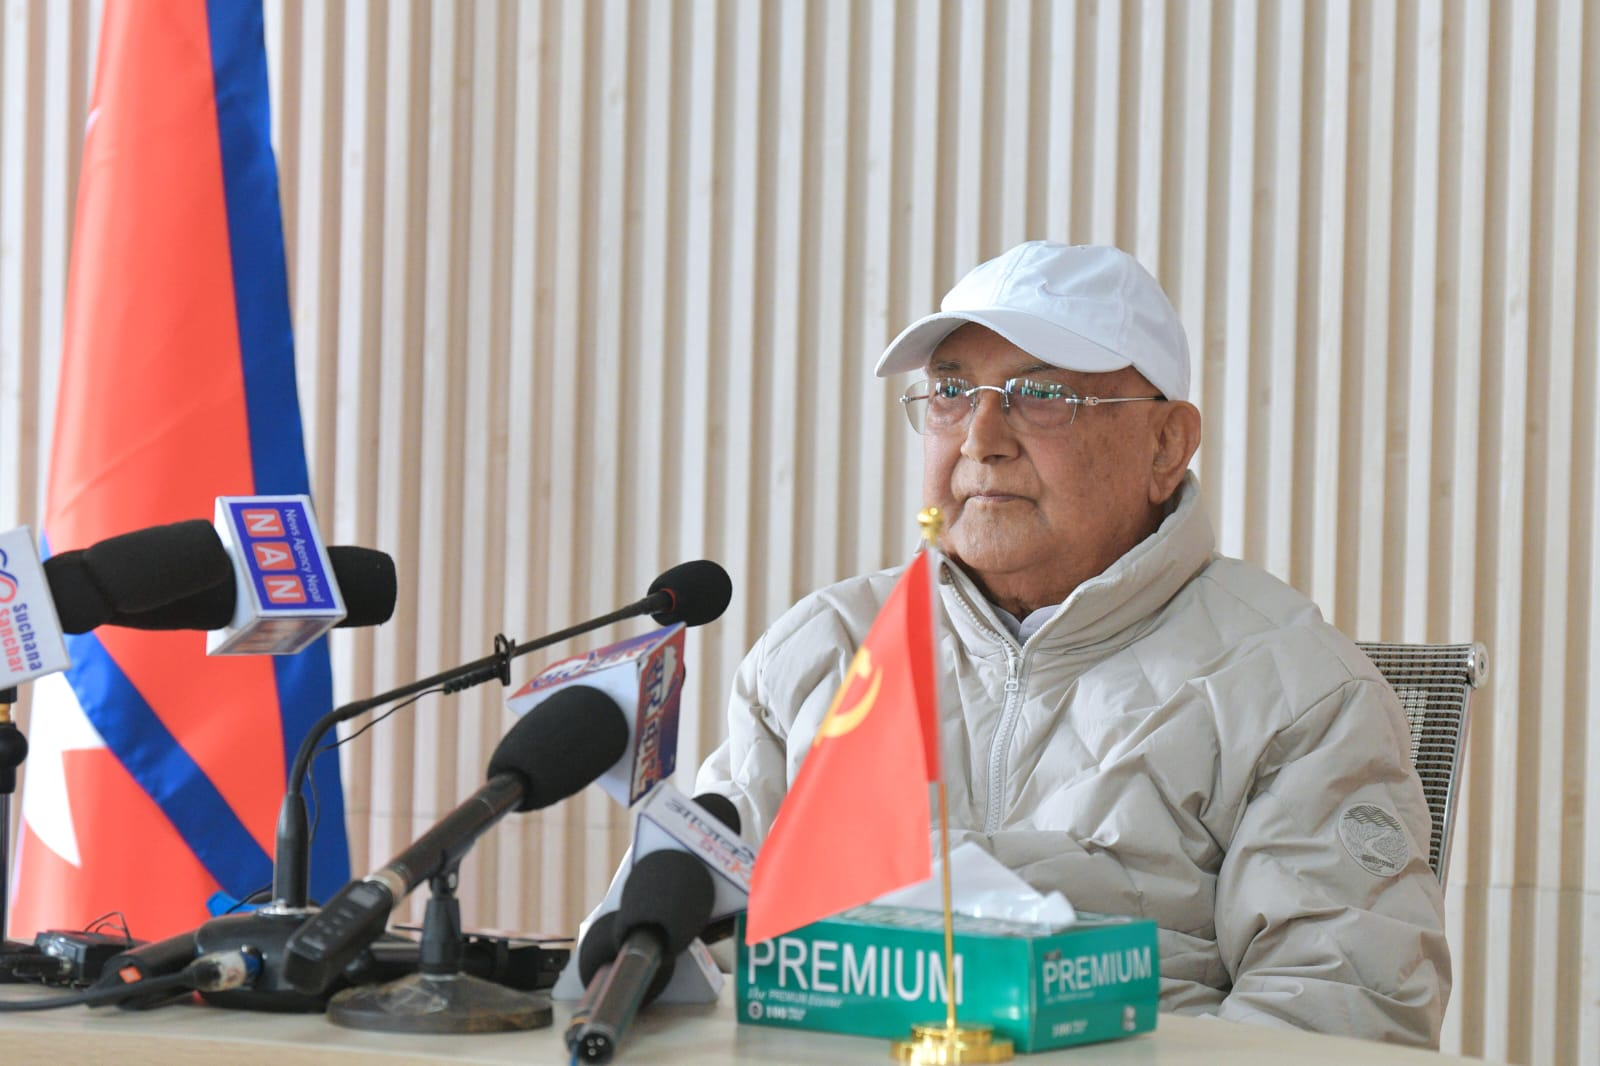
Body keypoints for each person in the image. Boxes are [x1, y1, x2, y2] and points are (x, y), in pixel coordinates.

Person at [695, 240, 1450, 1046]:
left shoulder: (1298, 691)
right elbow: (681, 953)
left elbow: (1341, 1021)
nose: (981, 438)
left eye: (1041, 394)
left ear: (1166, 445)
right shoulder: (825, 651)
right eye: (951, 392)